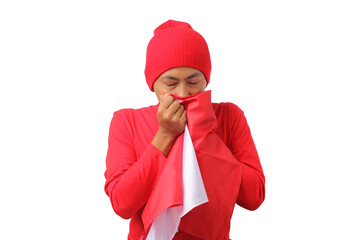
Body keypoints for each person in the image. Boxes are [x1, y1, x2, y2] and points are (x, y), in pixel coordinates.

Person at [104, 19, 265, 240]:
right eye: (170, 84)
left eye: (193, 82)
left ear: (206, 79)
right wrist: (164, 136)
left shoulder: (229, 117)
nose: (183, 92)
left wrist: (205, 137)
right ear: (153, 84)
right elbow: (122, 205)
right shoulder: (127, 121)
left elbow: (254, 197)